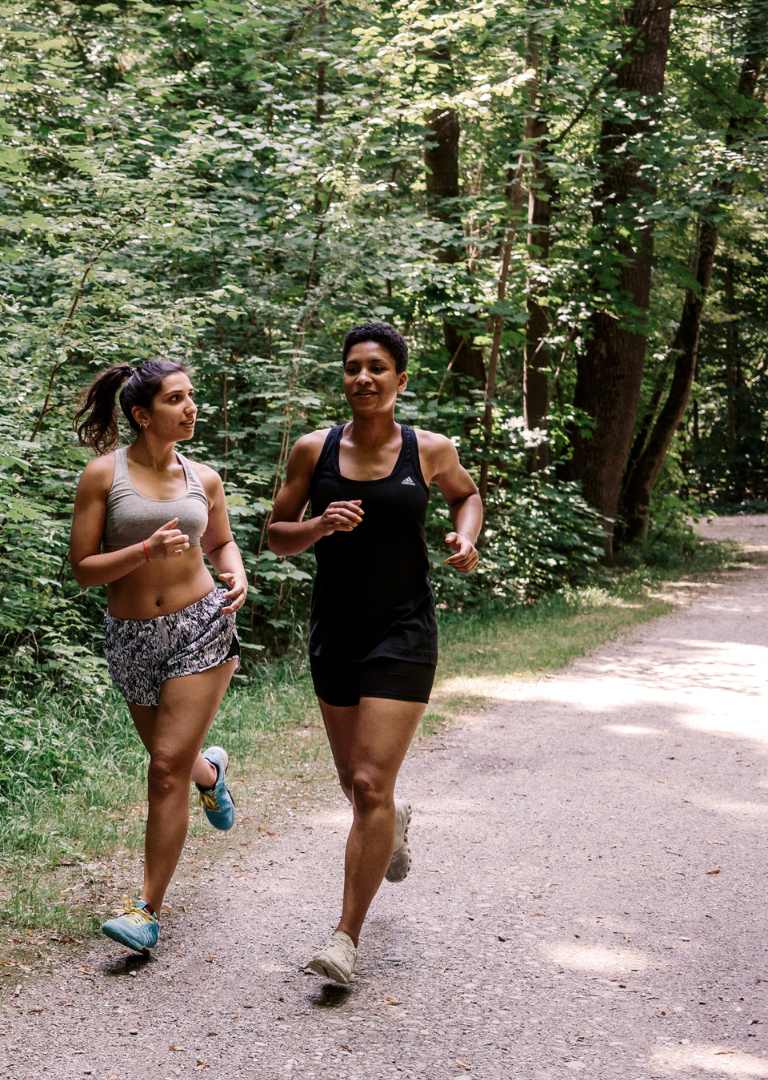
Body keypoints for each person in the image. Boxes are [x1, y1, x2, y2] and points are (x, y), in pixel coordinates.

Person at [264, 321, 483, 985]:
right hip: (336, 631)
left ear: (400, 380)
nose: (363, 377)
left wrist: (465, 538)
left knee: (367, 784)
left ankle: (344, 939)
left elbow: (466, 495)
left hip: (404, 630)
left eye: (377, 368)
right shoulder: (313, 451)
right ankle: (394, 824)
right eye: (354, 367)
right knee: (358, 787)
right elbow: (275, 535)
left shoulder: (431, 449)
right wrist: (318, 525)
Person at [68, 359, 248, 954]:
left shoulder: (206, 479)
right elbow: (84, 570)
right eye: (176, 399)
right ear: (143, 415)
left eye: (192, 396)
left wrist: (235, 574)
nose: (191, 407)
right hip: (131, 637)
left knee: (163, 768)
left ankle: (146, 909)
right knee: (175, 762)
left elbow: (220, 541)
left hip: (201, 626)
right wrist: (144, 549)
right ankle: (211, 772)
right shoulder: (102, 476)